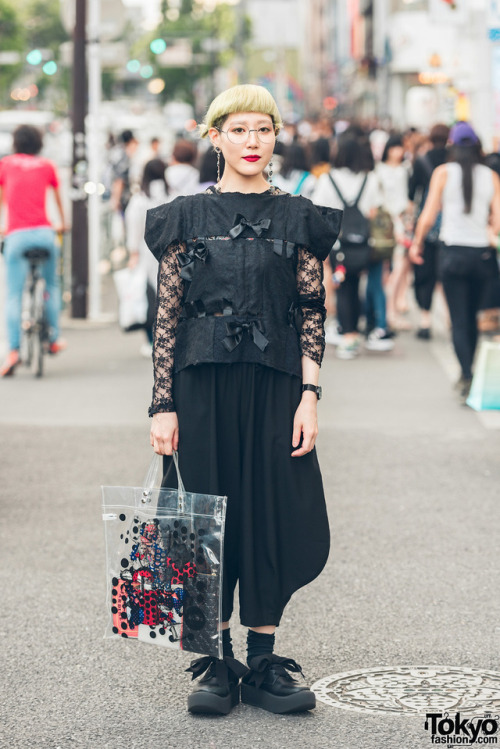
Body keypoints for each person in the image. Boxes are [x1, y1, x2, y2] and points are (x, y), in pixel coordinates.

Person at [144, 84, 341, 715]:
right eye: (239, 130)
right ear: (215, 138)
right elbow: (167, 318)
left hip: (277, 383)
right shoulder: (184, 216)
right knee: (204, 514)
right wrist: (161, 404)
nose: (252, 141)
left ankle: (262, 661)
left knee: (270, 508)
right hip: (200, 386)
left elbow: (312, 311)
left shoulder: (300, 217)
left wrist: (309, 395)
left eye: (263, 129)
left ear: (276, 136)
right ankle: (217, 663)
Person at [410, 122, 500, 404]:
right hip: (484, 258)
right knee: (479, 319)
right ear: (478, 147)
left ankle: (466, 374)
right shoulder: (491, 176)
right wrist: (488, 231)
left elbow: (427, 214)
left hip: (452, 256)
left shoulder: (443, 173)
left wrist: (417, 243)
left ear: (452, 146)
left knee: (459, 319)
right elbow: (497, 221)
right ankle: (479, 373)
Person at [0, 124, 67, 377]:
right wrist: (62, 223)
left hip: (16, 236)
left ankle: (14, 350)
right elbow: (57, 198)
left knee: (14, 295)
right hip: (45, 234)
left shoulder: (6, 164)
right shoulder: (46, 165)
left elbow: (3, 197)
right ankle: (54, 339)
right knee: (51, 286)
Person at [312, 132, 383, 359]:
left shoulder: (328, 179)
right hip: (363, 246)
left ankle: (349, 335)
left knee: (342, 288)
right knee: (357, 284)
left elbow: (319, 211)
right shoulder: (369, 179)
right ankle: (355, 330)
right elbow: (374, 212)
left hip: (338, 247)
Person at [125, 159, 170, 355]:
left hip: (146, 253)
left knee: (148, 299)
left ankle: (151, 340)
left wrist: (133, 252)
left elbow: (134, 226)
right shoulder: (174, 194)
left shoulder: (140, 198)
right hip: (171, 251)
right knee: (170, 296)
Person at [409, 124, 450, 339]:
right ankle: (450, 319)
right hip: (451, 227)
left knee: (425, 274)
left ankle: (425, 320)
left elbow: (411, 193)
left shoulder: (421, 161)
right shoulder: (454, 161)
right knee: (446, 275)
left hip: (427, 224)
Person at [377, 133, 410, 337]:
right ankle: (389, 311)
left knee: (400, 268)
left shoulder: (404, 171)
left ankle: (393, 309)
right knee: (389, 271)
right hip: (386, 225)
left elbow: (405, 197)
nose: (399, 152)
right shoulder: (379, 171)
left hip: (402, 222)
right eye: (396, 147)